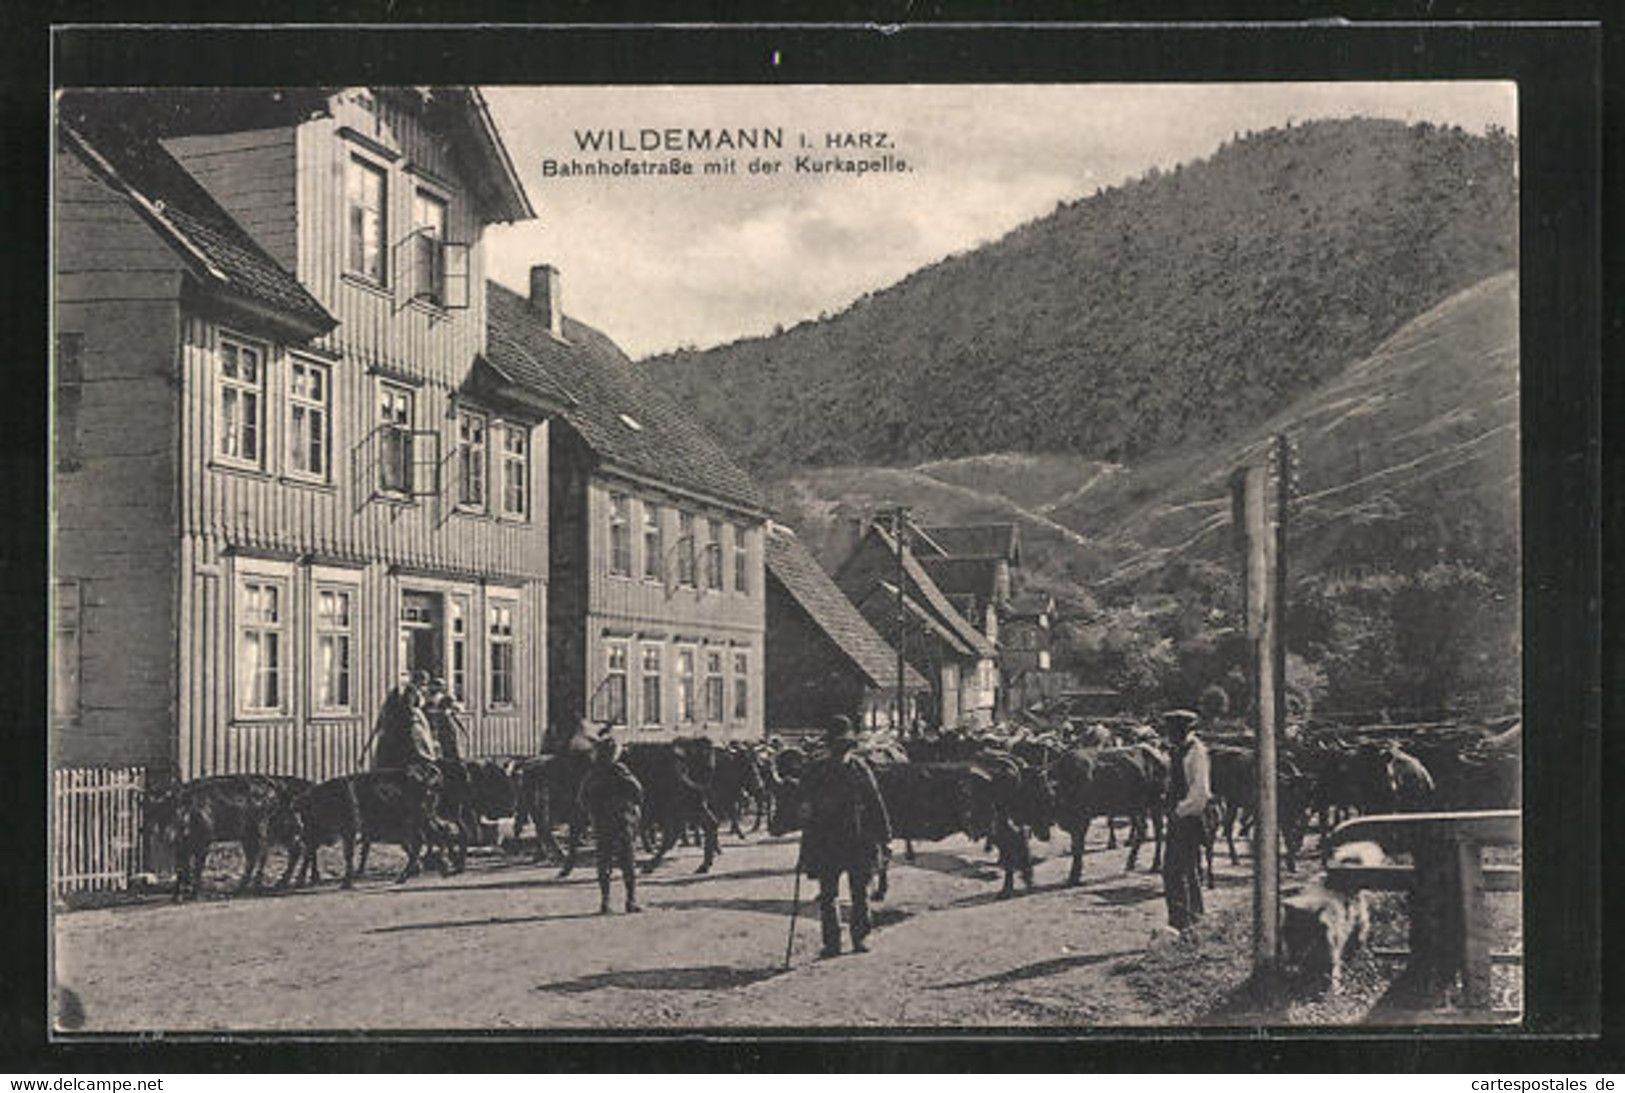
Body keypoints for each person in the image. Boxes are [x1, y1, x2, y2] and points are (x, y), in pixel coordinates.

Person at [796, 715, 892, 958]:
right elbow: (804, 805)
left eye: (845, 746)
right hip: (832, 840)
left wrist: (884, 835)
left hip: (853, 839)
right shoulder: (820, 771)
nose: (841, 751)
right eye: (837, 746)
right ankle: (835, 942)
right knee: (831, 894)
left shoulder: (856, 769)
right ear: (830, 747)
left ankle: (855, 938)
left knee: (856, 892)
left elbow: (875, 803)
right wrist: (806, 815)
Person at [569, 732, 644, 914]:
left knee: (604, 863)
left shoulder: (593, 774)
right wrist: (631, 807)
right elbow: (638, 791)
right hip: (622, 821)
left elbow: (582, 798)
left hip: (602, 822)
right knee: (628, 862)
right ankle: (630, 901)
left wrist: (594, 812)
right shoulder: (620, 770)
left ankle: (605, 902)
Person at [1160, 707, 1211, 937]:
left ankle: (1188, 923)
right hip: (1178, 817)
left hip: (1189, 819)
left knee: (1180, 870)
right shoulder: (1179, 751)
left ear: (1183, 729)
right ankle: (1186, 922)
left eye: (1172, 730)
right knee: (1179, 870)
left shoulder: (1196, 752)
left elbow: (1201, 792)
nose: (1168, 735)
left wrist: (1178, 811)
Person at [423, 677, 465, 761]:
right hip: (432, 723)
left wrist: (449, 710)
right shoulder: (426, 697)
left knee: (449, 742)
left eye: (439, 686)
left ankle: (454, 759)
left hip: (445, 723)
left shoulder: (444, 697)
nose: (434, 688)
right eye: (433, 686)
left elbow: (459, 708)